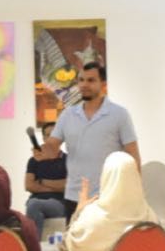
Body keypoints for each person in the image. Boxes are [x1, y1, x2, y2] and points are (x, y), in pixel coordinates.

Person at [41, 62, 139, 207]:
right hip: (75, 196)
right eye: (81, 80)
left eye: (91, 80)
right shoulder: (67, 115)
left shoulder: (119, 114)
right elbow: (52, 146)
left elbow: (133, 155)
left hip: (110, 196)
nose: (84, 84)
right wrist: (43, 151)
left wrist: (136, 193)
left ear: (103, 84)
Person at [24, 121, 70, 234]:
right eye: (48, 135)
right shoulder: (34, 160)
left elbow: (68, 186)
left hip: (59, 203)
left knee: (33, 204)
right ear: (44, 138)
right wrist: (56, 186)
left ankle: (34, 244)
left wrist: (41, 181)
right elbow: (29, 185)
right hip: (36, 202)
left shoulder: (68, 160)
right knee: (33, 205)